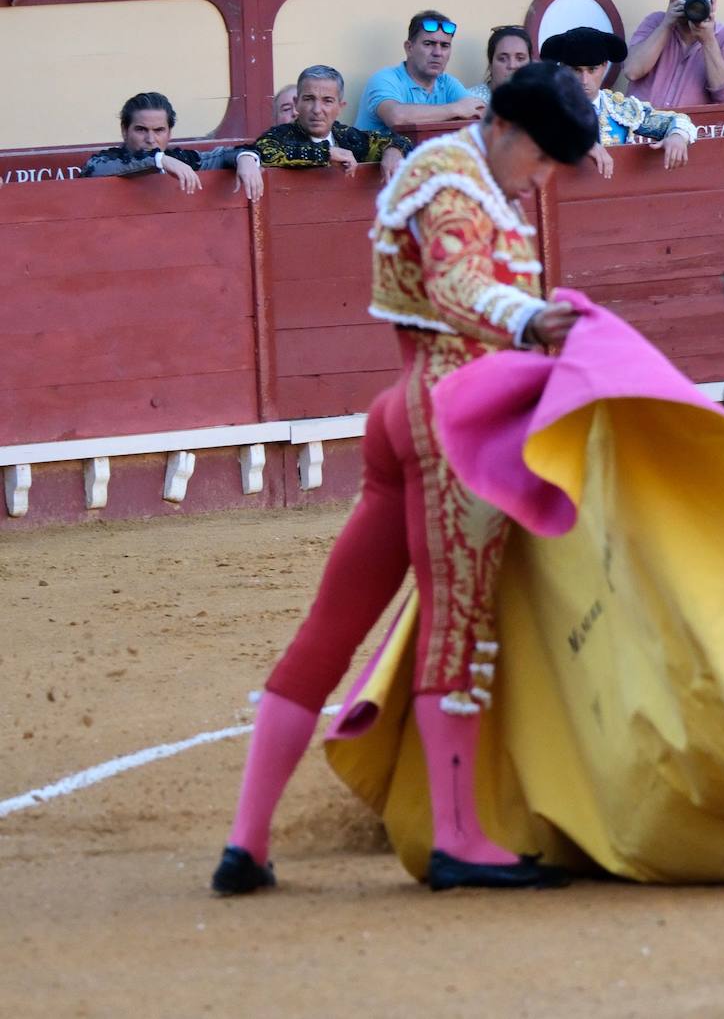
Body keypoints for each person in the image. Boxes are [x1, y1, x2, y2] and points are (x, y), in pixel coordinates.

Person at [211, 62, 599, 896]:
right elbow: (457, 282)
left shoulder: (459, 176)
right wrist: (531, 316)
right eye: (544, 160)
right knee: (457, 622)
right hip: (451, 415)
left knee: (332, 624)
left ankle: (247, 841)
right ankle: (456, 837)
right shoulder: (456, 176)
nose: (543, 181)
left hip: (408, 407)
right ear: (510, 131)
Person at [540, 26, 693, 178]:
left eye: (592, 70)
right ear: (562, 68)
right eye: (576, 70)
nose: (584, 80)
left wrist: (677, 136)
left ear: (605, 66)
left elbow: (676, 120)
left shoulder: (620, 109)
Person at [80, 92, 264, 200]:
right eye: (141, 130)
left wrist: (246, 158)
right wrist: (160, 160)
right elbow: (93, 168)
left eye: (159, 130)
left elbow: (223, 155)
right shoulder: (109, 160)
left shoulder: (181, 160)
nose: (151, 139)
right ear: (124, 130)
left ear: (169, 133)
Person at [252, 66, 412, 187]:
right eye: (308, 99)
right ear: (297, 104)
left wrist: (394, 150)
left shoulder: (349, 137)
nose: (316, 110)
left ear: (340, 107)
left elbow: (402, 141)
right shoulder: (281, 134)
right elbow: (265, 152)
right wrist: (326, 153)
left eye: (327, 101)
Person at [354, 10, 487, 134]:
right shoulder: (385, 79)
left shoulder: (447, 82)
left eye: (444, 46)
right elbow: (397, 117)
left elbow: (482, 115)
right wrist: (455, 109)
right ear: (409, 48)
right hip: (378, 158)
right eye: (428, 44)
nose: (438, 53)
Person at [624, 0, 724, 107]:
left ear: (713, 3)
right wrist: (666, 25)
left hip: (691, 128)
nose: (691, 2)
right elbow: (632, 71)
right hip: (639, 125)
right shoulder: (655, 22)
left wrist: (708, 41)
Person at [466, 25, 533, 103]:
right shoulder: (471, 100)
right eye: (503, 59)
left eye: (520, 58)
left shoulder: (541, 101)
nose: (512, 66)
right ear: (490, 64)